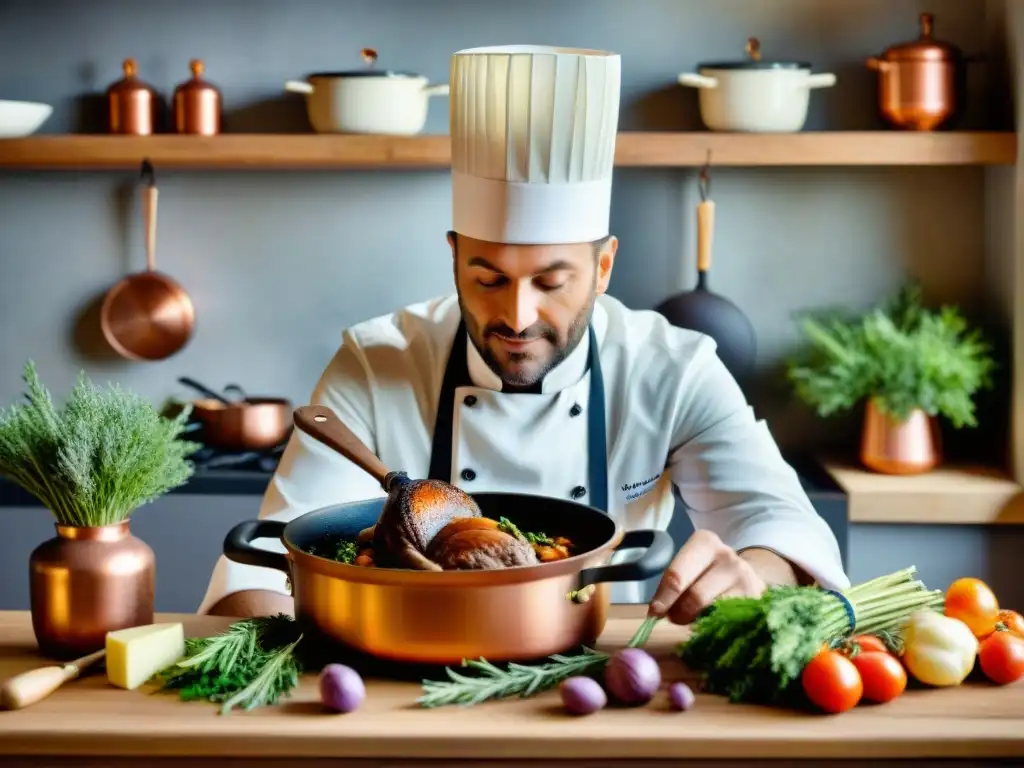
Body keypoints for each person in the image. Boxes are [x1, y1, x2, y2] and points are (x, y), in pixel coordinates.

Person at [198, 44, 849, 622]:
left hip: (600, 684)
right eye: (486, 277)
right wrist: (257, 643)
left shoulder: (672, 368)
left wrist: (754, 575)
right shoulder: (375, 363)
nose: (516, 314)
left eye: (551, 281)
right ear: (454, 257)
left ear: (603, 268)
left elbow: (780, 524)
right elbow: (266, 566)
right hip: (396, 682)